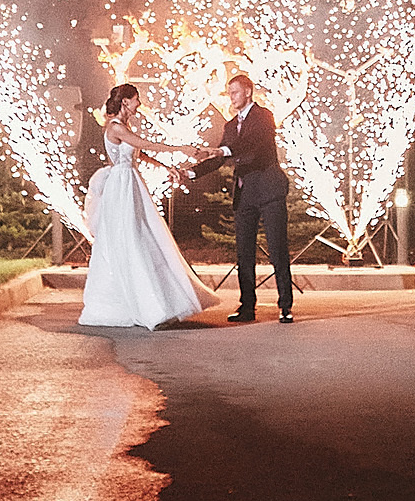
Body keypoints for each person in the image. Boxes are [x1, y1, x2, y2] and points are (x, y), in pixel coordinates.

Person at [78, 84, 223, 329]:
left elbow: (140, 154)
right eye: (136, 100)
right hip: (121, 186)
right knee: (129, 237)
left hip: (132, 183)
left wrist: (165, 167)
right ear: (125, 102)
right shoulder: (115, 127)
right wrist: (181, 149)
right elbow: (145, 144)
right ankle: (143, 306)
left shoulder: (125, 128)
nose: (139, 104)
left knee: (145, 234)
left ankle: (159, 302)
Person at [185, 72, 295, 323]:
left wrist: (224, 149)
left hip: (269, 191)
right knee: (244, 253)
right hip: (244, 194)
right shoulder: (229, 125)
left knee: (278, 249)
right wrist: (191, 172)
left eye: (234, 91)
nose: (230, 96)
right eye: (228, 92)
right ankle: (247, 307)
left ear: (248, 91)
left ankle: (285, 305)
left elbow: (253, 144)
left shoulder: (264, 116)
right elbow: (220, 157)